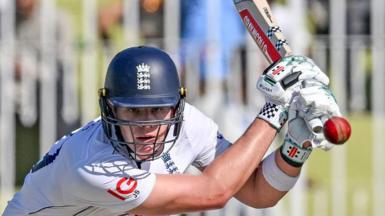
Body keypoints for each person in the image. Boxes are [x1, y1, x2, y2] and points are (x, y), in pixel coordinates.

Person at [3, 46, 341, 215]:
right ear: (110, 110)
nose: (147, 124)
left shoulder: (189, 124)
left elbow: (255, 192)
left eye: (156, 109)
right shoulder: (90, 164)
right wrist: (277, 109)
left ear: (176, 106)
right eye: (133, 111)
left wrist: (295, 145)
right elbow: (215, 192)